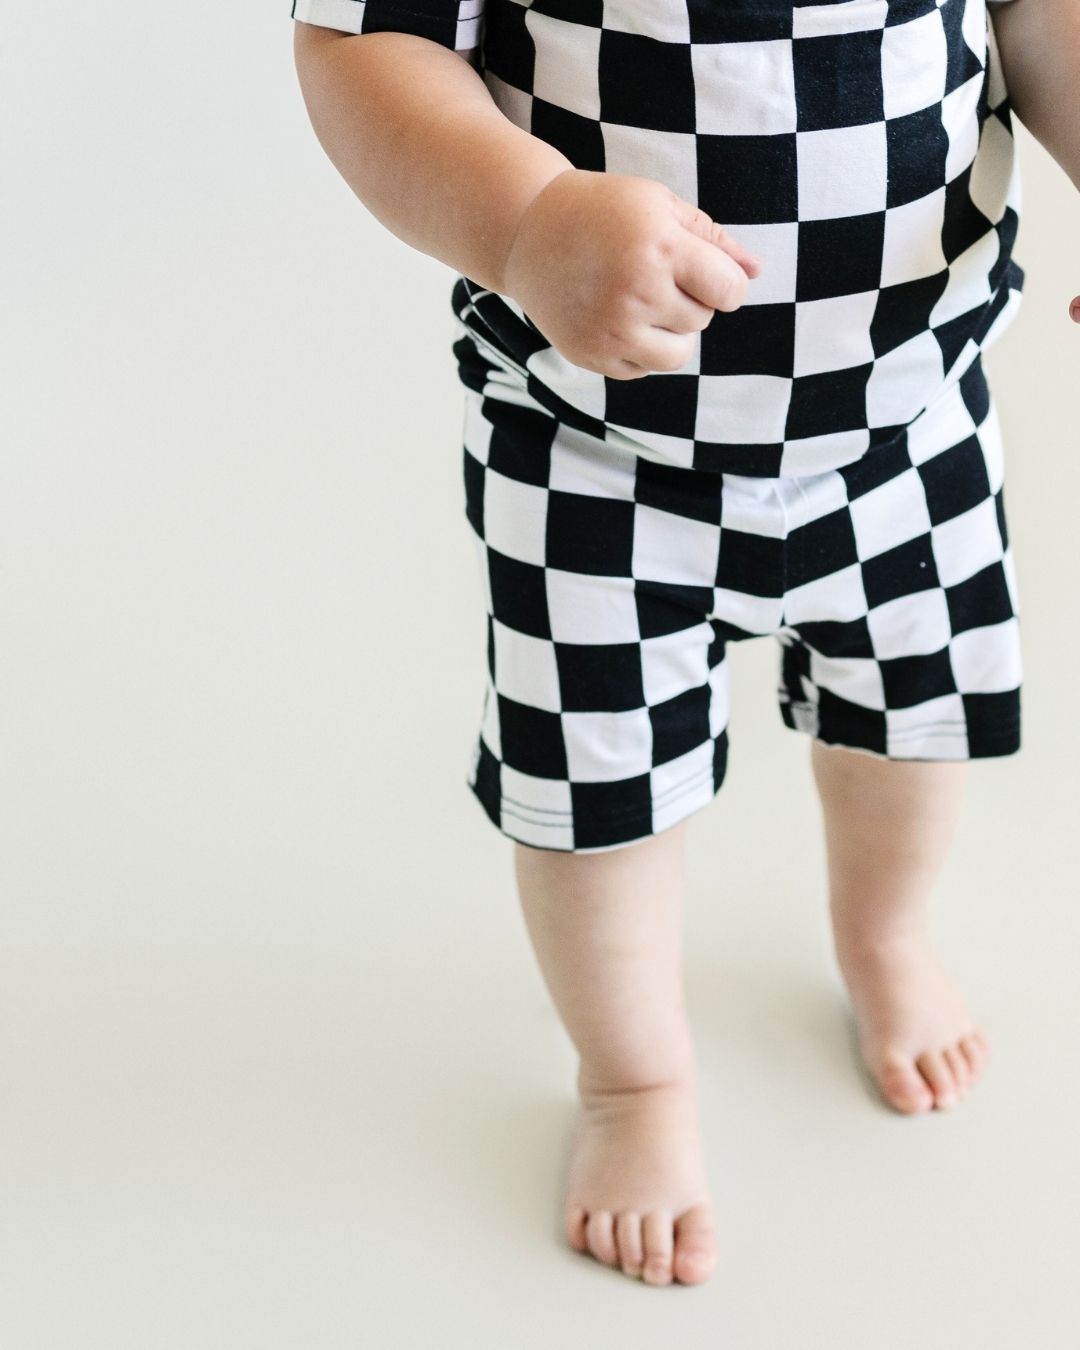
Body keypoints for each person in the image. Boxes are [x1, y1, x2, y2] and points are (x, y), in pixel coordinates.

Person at [290, 0, 1080, 1287]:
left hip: (905, 422)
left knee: (912, 736)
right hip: (593, 448)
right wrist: (524, 219)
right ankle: (632, 1078)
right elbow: (364, 45)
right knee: (596, 803)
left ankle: (884, 934)